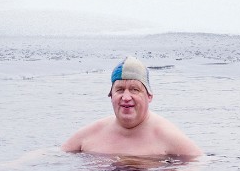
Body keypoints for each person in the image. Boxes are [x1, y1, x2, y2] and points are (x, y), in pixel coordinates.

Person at [62, 56, 203, 159]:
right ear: (111, 95)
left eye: (135, 89)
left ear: (149, 96)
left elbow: (198, 165)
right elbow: (57, 155)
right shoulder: (90, 133)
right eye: (120, 90)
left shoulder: (167, 136)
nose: (126, 97)